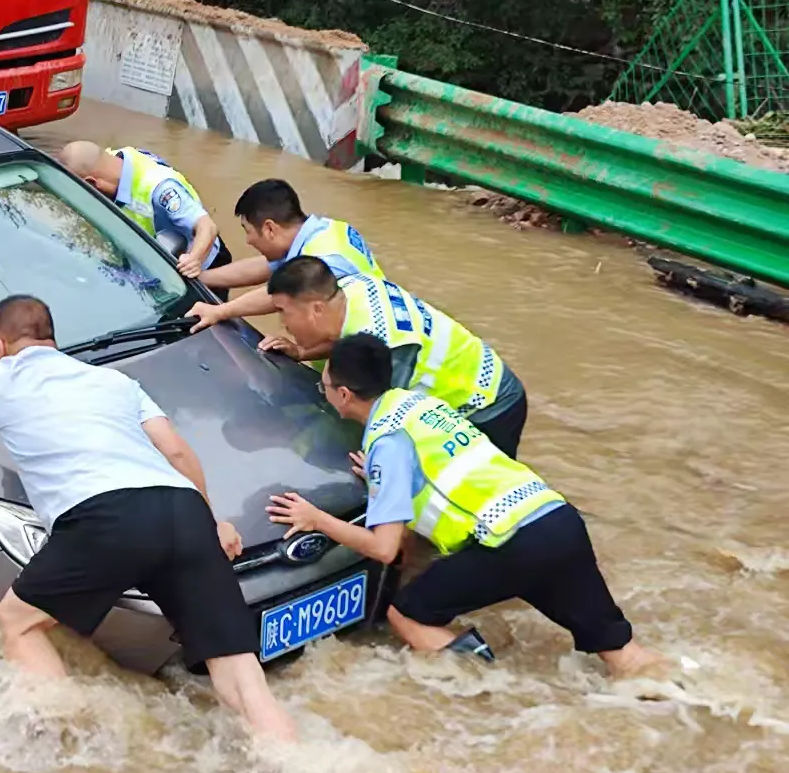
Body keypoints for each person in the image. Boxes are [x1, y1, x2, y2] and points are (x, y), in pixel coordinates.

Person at [0, 295, 297, 742]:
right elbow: (176, 450)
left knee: (18, 623)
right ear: (51, 340)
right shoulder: (114, 382)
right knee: (239, 671)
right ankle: (291, 763)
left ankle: (65, 745)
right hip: (183, 508)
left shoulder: (0, 376)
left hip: (105, 514)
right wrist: (213, 522)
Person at [267, 333, 661, 675]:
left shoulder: (386, 443)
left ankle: (486, 689)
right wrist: (383, 481)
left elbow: (384, 549)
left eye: (325, 384)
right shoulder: (420, 404)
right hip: (556, 519)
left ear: (344, 394)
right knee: (622, 653)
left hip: (512, 544)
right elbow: (441, 467)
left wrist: (315, 518)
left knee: (406, 614)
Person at [260, 256, 529, 457]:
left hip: (487, 405)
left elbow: (387, 417)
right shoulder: (353, 288)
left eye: (284, 311)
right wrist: (302, 352)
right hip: (481, 372)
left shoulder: (381, 343)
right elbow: (343, 339)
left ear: (316, 309)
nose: (283, 322)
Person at [189, 178, 382, 331]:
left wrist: (219, 311)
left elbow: (280, 295)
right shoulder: (323, 231)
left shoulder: (323, 258)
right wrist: (201, 278)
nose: (248, 241)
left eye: (248, 231)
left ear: (269, 229)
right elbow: (263, 268)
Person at [59, 141, 230, 278]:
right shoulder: (112, 160)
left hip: (203, 264)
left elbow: (207, 226)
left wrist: (194, 260)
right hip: (153, 258)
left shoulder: (161, 190)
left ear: (92, 183)